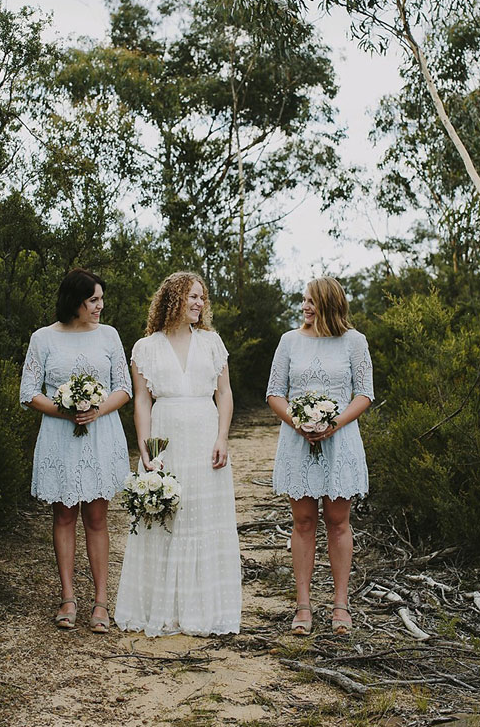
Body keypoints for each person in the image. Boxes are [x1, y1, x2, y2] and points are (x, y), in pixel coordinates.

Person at [114, 271, 241, 637]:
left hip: (205, 435)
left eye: (202, 297)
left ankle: (203, 610)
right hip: (166, 437)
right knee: (165, 518)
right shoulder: (145, 348)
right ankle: (163, 610)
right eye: (192, 296)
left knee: (203, 519)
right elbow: (141, 400)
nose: (200, 303)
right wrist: (145, 447)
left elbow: (224, 393)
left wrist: (222, 437)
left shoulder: (212, 342)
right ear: (173, 299)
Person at [20, 268, 131, 632]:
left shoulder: (109, 336)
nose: (100, 306)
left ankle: (101, 602)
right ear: (74, 302)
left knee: (97, 518)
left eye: (101, 299)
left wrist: (96, 410)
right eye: (93, 300)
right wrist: (64, 409)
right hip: (60, 435)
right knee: (64, 516)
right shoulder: (43, 338)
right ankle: (68, 598)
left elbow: (124, 388)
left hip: (100, 433)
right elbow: (29, 392)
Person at [266, 277, 374, 635]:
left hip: (340, 440)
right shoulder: (289, 341)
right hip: (298, 440)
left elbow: (364, 393)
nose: (305, 307)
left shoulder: (354, 341)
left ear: (329, 303)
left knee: (338, 521)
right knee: (303, 521)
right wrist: (298, 421)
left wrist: (333, 423)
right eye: (304, 300)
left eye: (311, 301)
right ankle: (303, 605)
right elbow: (274, 393)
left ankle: (341, 604)